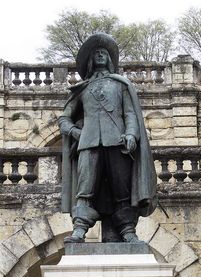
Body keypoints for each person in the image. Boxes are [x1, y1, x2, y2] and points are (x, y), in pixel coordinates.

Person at [58, 32, 157, 243]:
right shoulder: (82, 89)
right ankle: (79, 229)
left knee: (121, 189)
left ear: (109, 59)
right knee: (85, 189)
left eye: (104, 53)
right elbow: (64, 119)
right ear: (91, 60)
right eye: (97, 53)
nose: (100, 55)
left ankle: (128, 230)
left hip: (118, 142)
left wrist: (132, 134)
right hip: (89, 143)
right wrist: (77, 132)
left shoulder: (120, 84)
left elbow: (130, 114)